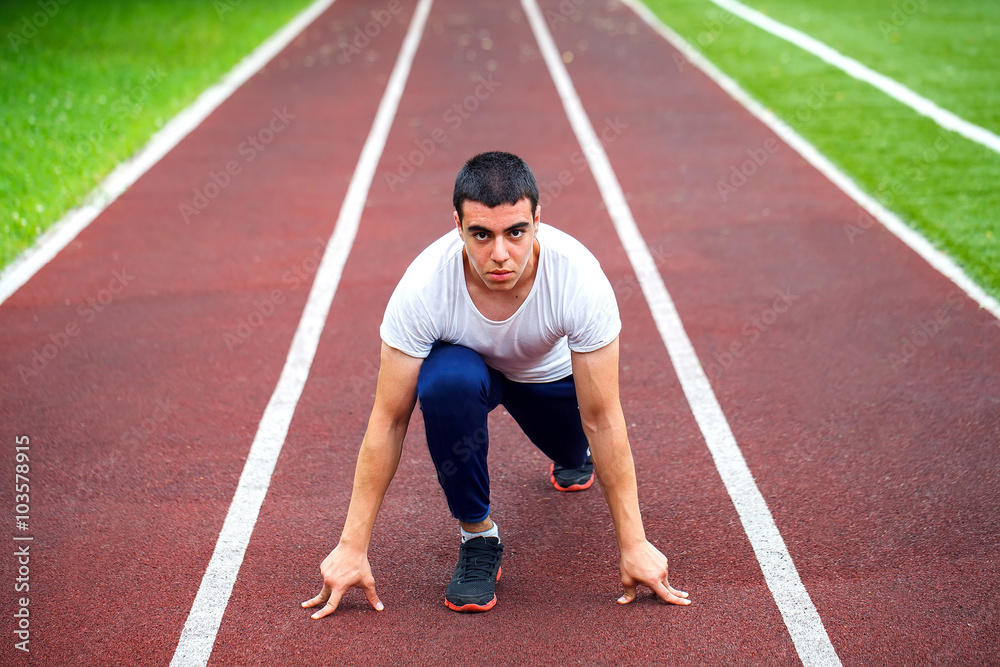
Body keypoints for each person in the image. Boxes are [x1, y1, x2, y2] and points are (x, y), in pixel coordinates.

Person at [302, 151, 690, 615]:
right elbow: (388, 420)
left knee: (573, 452)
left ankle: (570, 457)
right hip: (473, 374)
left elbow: (603, 416)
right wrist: (351, 545)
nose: (500, 254)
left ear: (538, 221)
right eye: (481, 235)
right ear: (458, 226)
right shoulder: (424, 287)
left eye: (516, 232)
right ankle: (478, 536)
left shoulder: (578, 279)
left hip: (547, 381)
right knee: (446, 383)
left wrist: (635, 544)